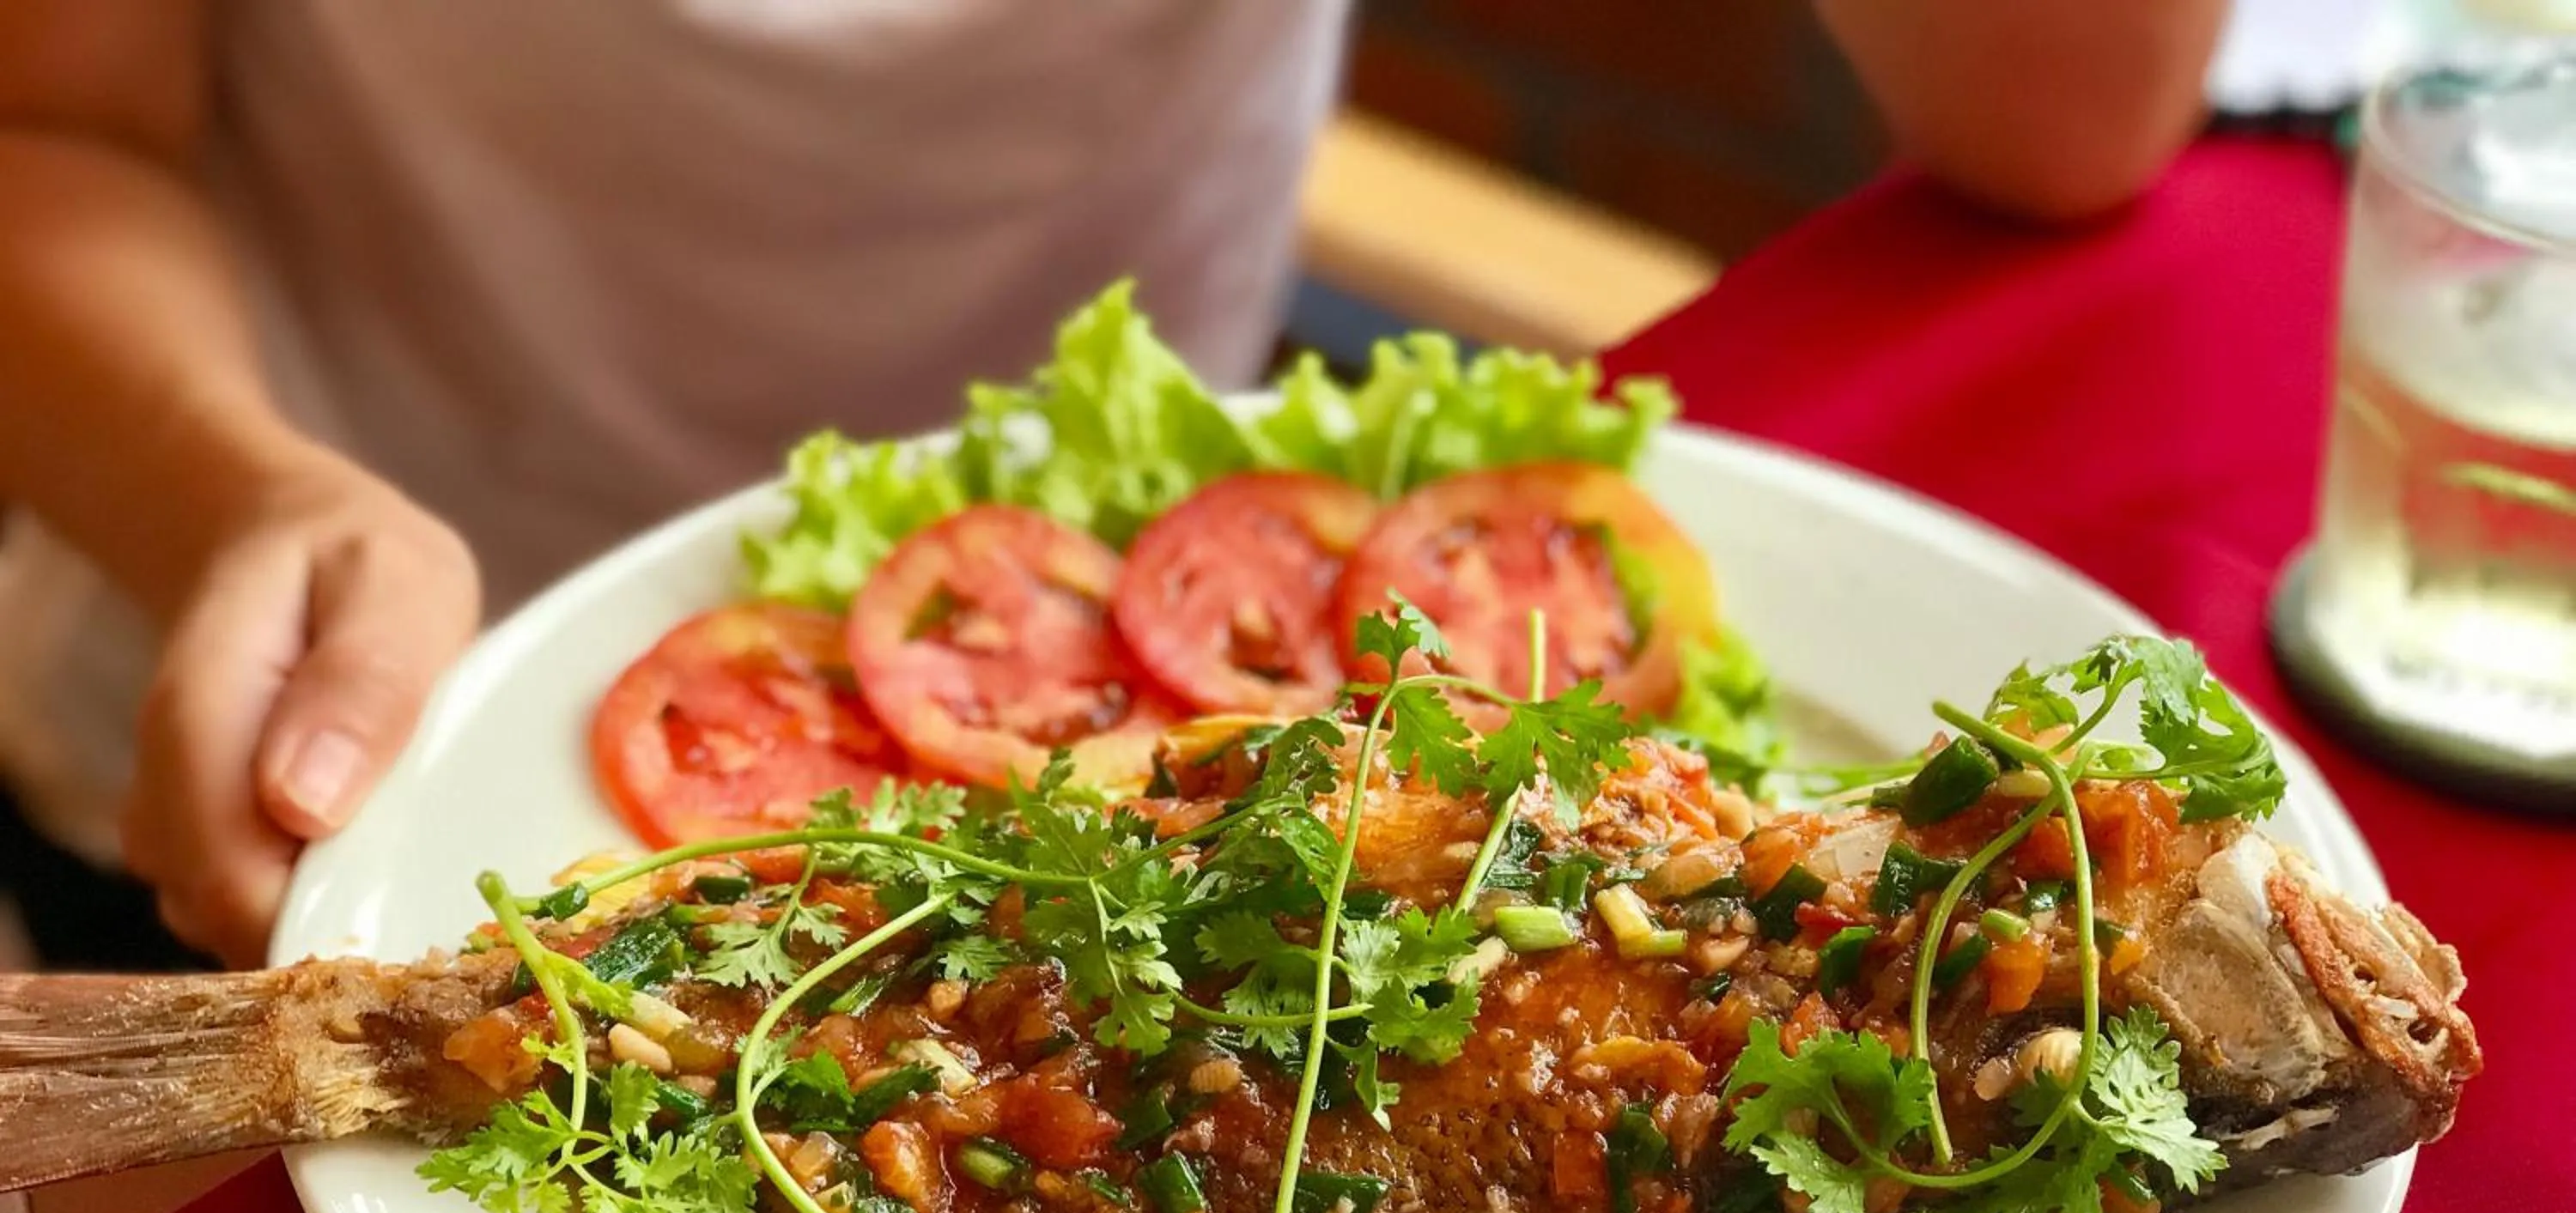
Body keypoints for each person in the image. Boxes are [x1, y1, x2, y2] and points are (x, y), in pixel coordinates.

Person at [0, 0, 2233, 979]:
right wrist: (235, 497)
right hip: (302, 741)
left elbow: (2067, 108)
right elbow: (49, 122)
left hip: (1182, 728)